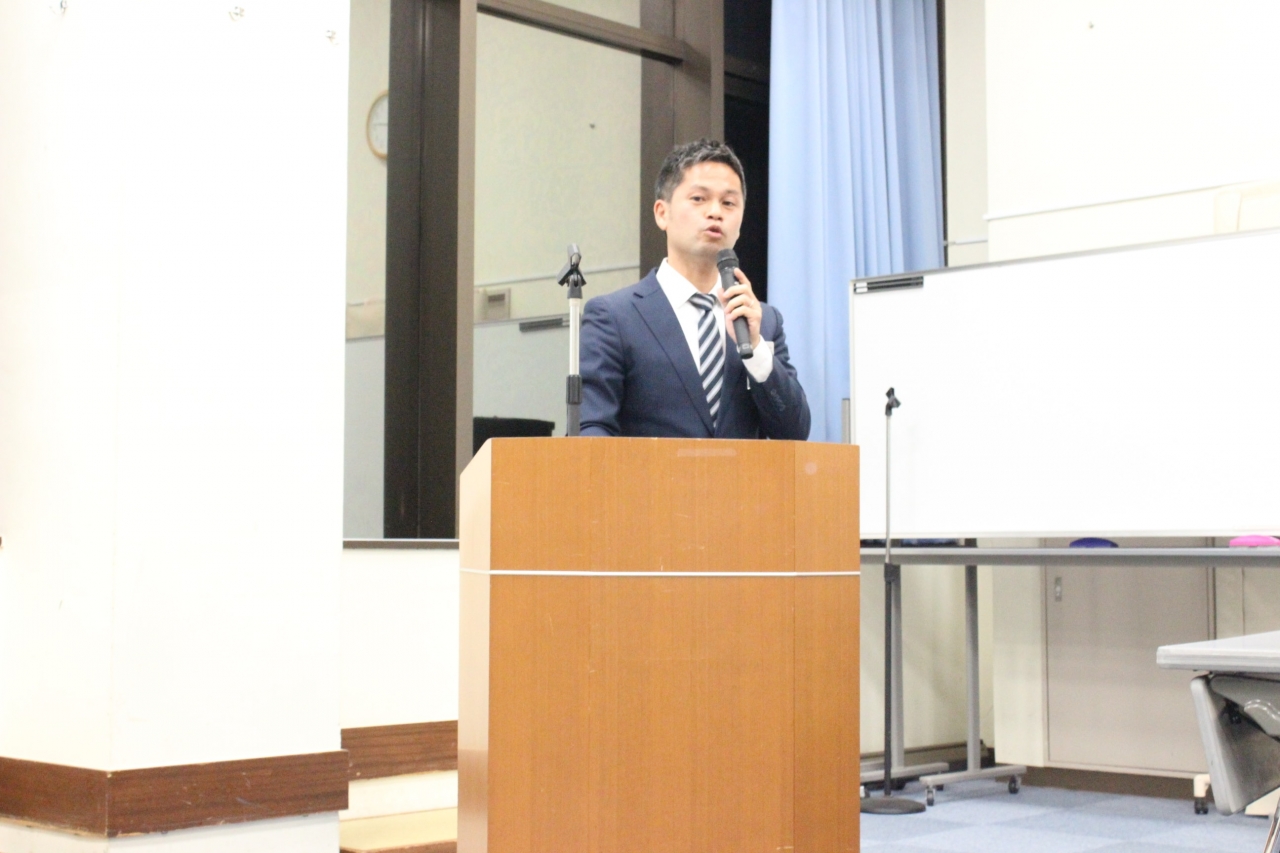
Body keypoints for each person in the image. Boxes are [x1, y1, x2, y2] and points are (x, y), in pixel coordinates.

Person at [578, 139, 810, 440]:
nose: (715, 212)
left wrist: (755, 349)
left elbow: (794, 433)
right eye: (699, 198)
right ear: (662, 213)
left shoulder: (763, 322)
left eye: (729, 203)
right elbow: (593, 429)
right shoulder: (614, 318)